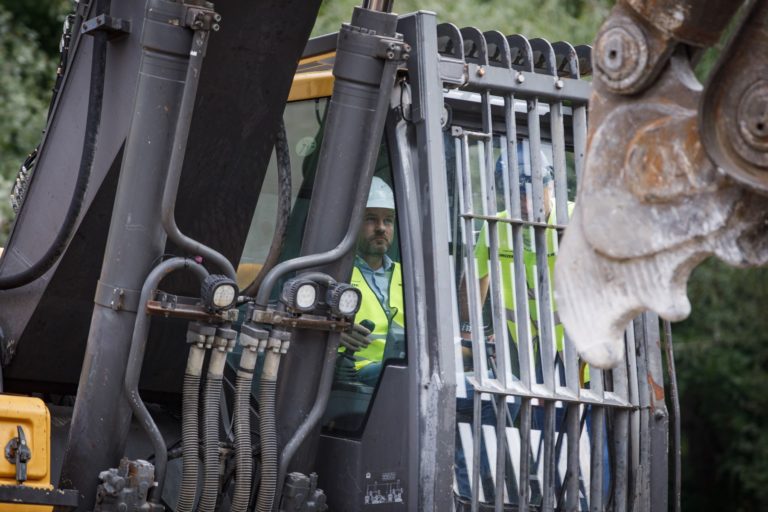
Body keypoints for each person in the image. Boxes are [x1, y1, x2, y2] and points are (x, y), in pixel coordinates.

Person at [336, 176, 405, 387]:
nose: (381, 228)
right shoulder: (335, 272)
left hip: (400, 367)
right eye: (371, 219)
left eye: (388, 220)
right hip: (355, 370)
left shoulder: (409, 276)